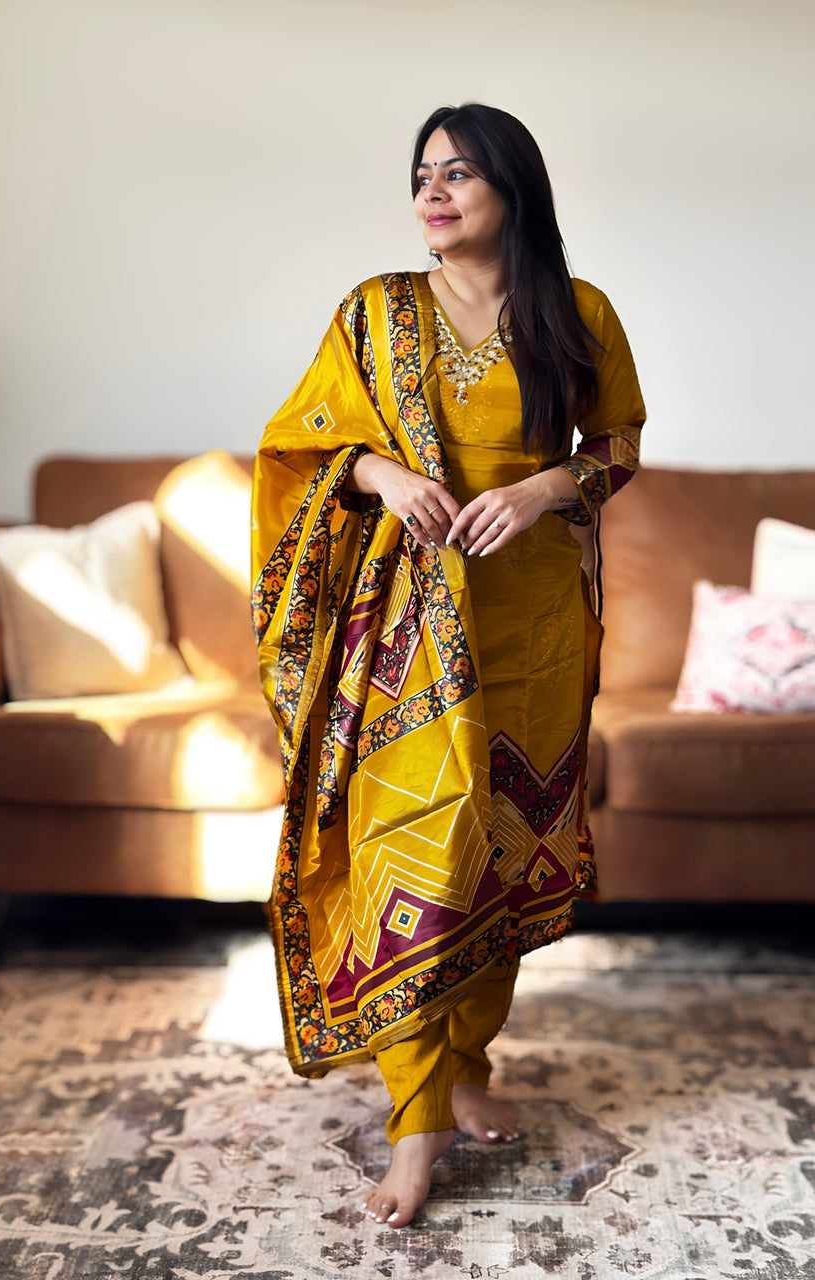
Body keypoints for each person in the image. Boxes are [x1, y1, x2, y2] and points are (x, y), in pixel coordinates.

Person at [251, 103, 645, 1228]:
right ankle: (414, 1119)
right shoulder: (373, 312)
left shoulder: (578, 313)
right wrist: (378, 473)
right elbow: (301, 442)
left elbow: (615, 446)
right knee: (414, 842)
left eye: (460, 173)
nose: (434, 191)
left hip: (535, 628)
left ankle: (466, 1062)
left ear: (512, 189)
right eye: (423, 174)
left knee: (503, 848)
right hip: (407, 630)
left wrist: (538, 488)